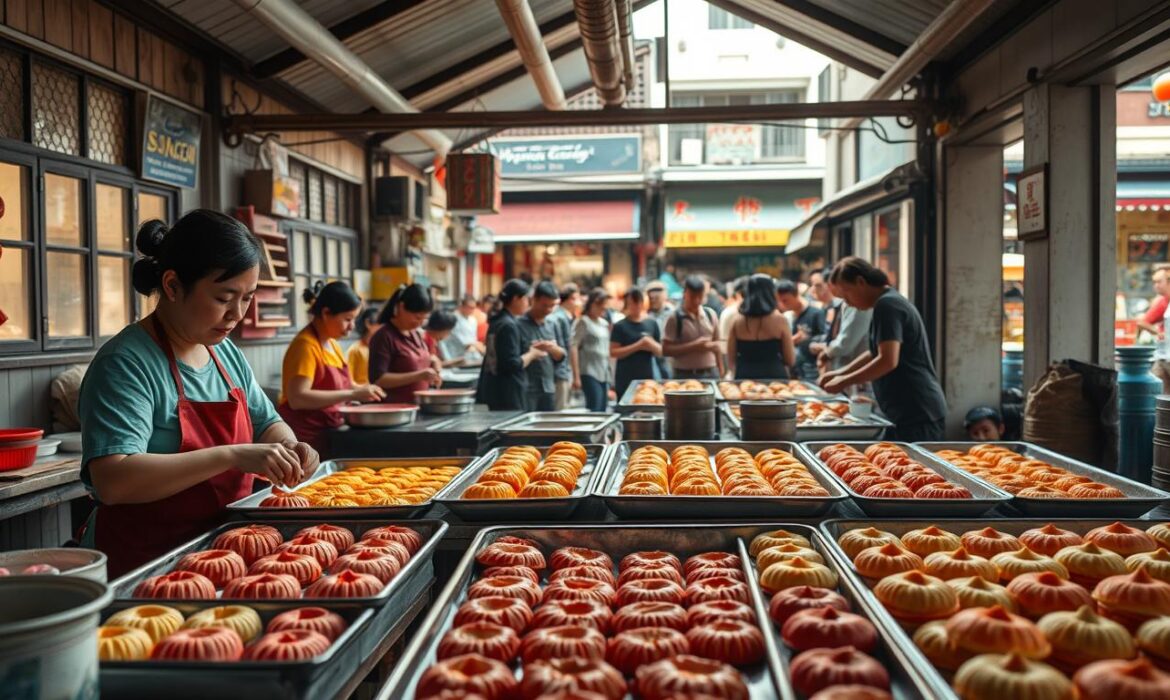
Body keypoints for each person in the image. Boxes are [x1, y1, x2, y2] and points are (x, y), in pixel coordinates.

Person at [78, 210, 319, 577]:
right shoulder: (126, 363)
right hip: (149, 566)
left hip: (226, 553)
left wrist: (289, 447)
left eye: (247, 298)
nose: (236, 314)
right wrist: (232, 455)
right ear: (173, 286)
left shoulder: (222, 351)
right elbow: (114, 480)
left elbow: (266, 420)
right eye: (225, 298)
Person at [821, 257, 948, 441]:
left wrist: (844, 381)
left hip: (917, 410)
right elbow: (874, 352)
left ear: (860, 282)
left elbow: (887, 360)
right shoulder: (884, 304)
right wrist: (839, 373)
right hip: (904, 410)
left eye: (847, 294)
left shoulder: (887, 305)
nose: (847, 303)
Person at [279, 281, 386, 453]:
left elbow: (347, 385)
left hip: (330, 431)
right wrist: (353, 393)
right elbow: (297, 398)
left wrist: (365, 390)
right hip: (306, 439)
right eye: (347, 319)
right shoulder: (305, 346)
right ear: (326, 313)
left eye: (354, 320)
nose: (352, 327)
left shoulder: (332, 344)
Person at [476, 279, 548, 410]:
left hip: (494, 387)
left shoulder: (498, 321)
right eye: (526, 299)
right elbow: (512, 364)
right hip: (508, 390)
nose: (528, 303)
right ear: (516, 299)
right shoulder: (509, 325)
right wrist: (532, 354)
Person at [369, 284, 441, 404]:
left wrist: (433, 362)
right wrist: (418, 376)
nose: (419, 323)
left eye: (424, 319)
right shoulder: (384, 336)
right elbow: (378, 380)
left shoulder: (416, 334)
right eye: (417, 318)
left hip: (418, 405)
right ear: (401, 307)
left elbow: (421, 359)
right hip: (393, 409)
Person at [727, 274, 796, 379]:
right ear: (772, 292)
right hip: (775, 377)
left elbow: (731, 360)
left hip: (744, 377)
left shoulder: (737, 321)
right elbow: (790, 360)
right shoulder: (780, 320)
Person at [812, 272, 874, 374]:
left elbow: (845, 343)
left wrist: (827, 352)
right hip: (846, 369)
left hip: (855, 372)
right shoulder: (839, 304)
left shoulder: (857, 303)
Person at [518, 282, 567, 411]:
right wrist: (532, 353)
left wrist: (552, 349)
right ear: (534, 299)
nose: (548, 310)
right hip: (526, 388)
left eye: (552, 306)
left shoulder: (553, 323)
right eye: (544, 305)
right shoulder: (518, 324)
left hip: (548, 385)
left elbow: (562, 355)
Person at [663, 276, 723, 379]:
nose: (696, 301)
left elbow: (717, 343)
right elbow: (666, 350)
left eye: (700, 297)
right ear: (684, 294)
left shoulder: (710, 314)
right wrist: (694, 346)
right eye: (692, 297)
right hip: (684, 375)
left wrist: (721, 369)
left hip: (711, 373)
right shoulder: (675, 318)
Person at [611, 286, 662, 398]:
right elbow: (613, 352)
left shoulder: (651, 323)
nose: (636, 306)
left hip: (646, 376)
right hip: (625, 377)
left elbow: (660, 351)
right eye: (632, 303)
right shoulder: (620, 326)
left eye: (638, 302)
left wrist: (650, 345)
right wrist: (638, 345)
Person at [572, 288, 613, 412]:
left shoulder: (604, 323)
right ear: (594, 304)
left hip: (604, 371)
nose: (603, 311)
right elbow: (573, 347)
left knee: (603, 406)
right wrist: (576, 376)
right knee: (594, 406)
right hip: (589, 371)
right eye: (602, 307)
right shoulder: (583, 322)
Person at [776, 279, 826, 381]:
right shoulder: (786, 316)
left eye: (785, 300)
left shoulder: (816, 313)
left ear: (796, 295)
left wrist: (807, 340)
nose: (782, 304)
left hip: (811, 370)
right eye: (779, 301)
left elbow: (825, 337)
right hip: (793, 371)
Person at [549, 283, 578, 409]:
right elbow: (567, 346)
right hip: (561, 371)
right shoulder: (560, 317)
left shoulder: (564, 316)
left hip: (562, 371)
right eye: (576, 298)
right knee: (560, 409)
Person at [1141, 265, 1170, 393]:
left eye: (1159, 282)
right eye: (1154, 282)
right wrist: (1161, 333)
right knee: (1158, 393)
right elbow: (1142, 322)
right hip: (1163, 356)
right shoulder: (1163, 302)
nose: (1156, 285)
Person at [440, 295, 484, 366]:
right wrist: (470, 345)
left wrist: (475, 345)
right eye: (469, 307)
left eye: (473, 308)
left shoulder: (473, 320)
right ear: (462, 306)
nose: (472, 310)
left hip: (472, 351)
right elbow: (452, 338)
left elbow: (473, 337)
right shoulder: (452, 318)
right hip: (455, 352)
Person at [645, 280, 674, 380]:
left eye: (656, 298)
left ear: (664, 296)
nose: (653, 301)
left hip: (669, 356)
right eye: (651, 298)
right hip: (652, 355)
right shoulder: (646, 314)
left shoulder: (673, 314)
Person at [347, 308, 381, 385]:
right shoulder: (355, 350)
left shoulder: (381, 348)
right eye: (380, 324)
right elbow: (348, 381)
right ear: (368, 323)